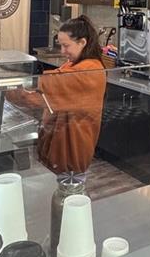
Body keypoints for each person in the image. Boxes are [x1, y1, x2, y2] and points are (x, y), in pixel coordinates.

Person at [6, 16, 107, 174]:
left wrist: (7, 86)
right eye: (61, 45)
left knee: (68, 184)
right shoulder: (74, 63)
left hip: (72, 149)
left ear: (82, 42)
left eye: (66, 46)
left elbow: (49, 86)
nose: (62, 51)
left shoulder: (90, 70)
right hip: (57, 143)